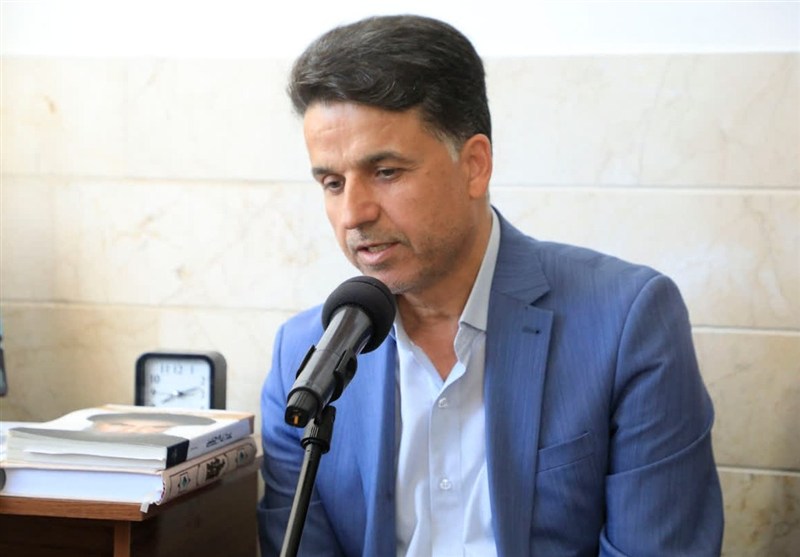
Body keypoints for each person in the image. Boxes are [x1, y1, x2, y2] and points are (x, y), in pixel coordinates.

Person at [258, 14, 724, 556]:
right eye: (332, 183)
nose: (353, 214)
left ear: (475, 165)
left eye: (386, 172)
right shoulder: (306, 362)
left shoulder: (627, 323)